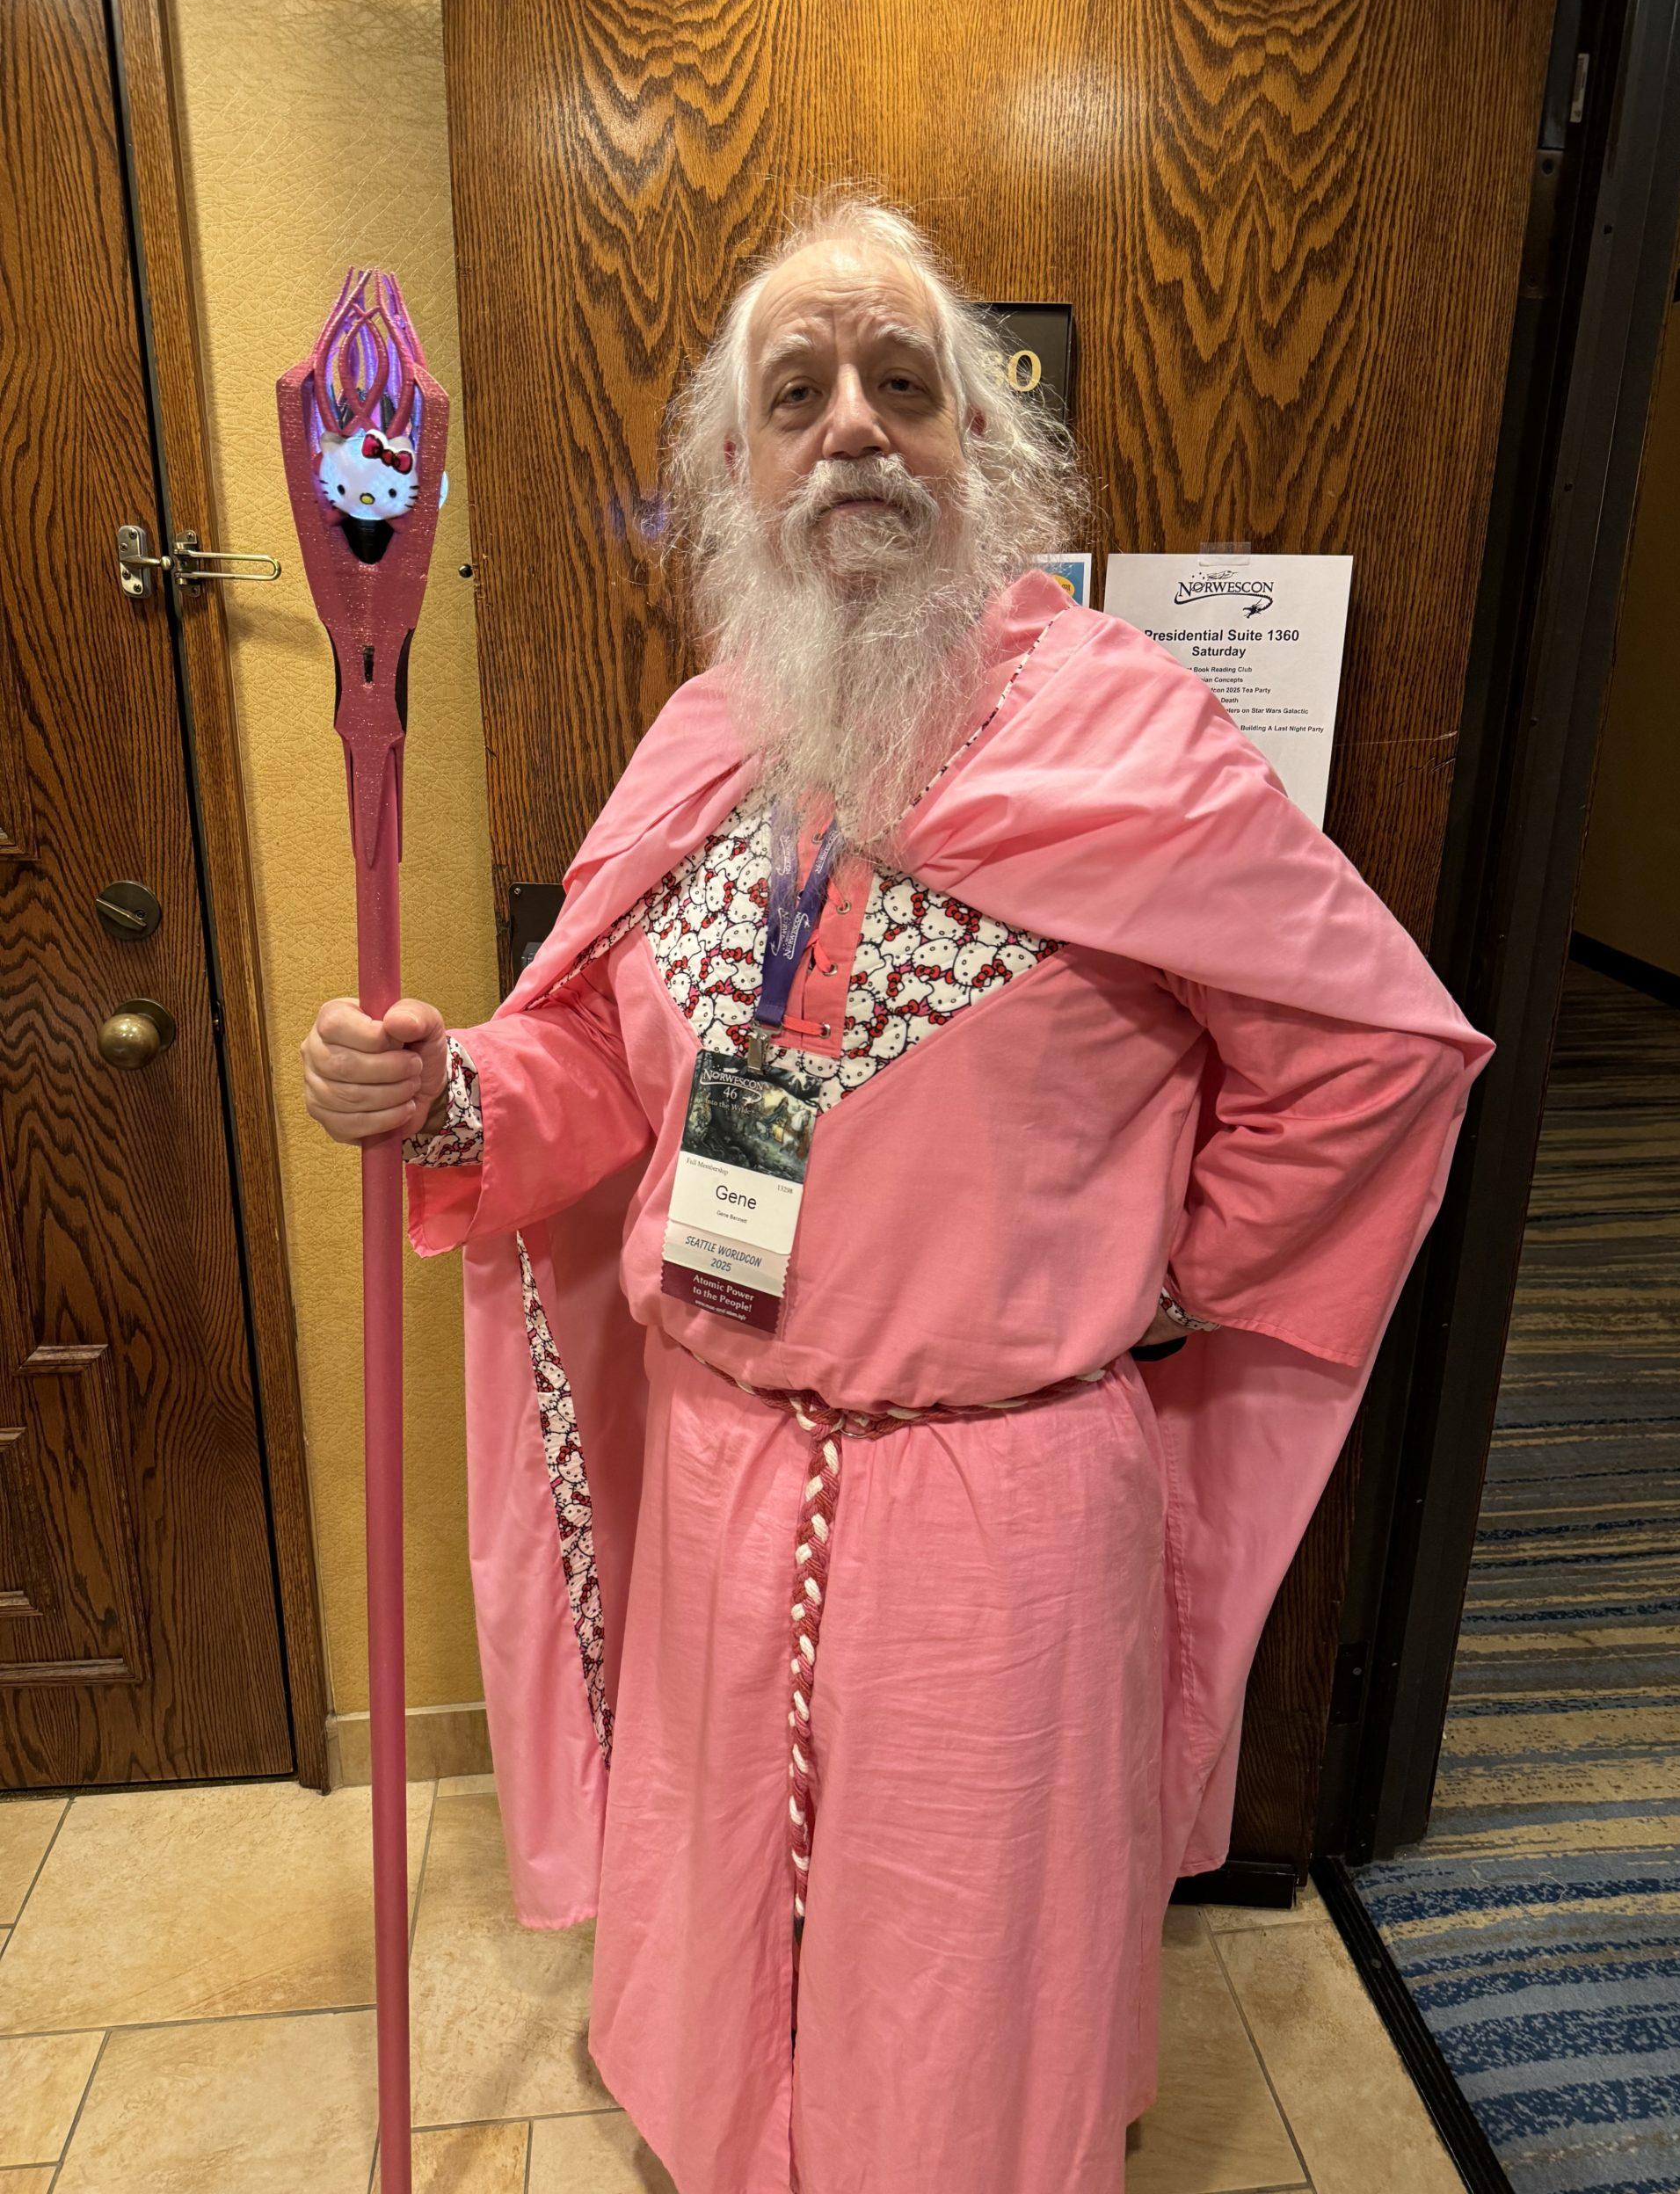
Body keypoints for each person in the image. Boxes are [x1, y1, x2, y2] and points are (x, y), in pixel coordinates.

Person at [302, 188, 1495, 2194]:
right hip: (719, 1461)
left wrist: (1160, 1257)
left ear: (982, 448)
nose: (853, 423)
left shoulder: (1136, 733)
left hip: (1004, 1509)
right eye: (797, 392)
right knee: (721, 1901)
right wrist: (444, 1095)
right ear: (738, 479)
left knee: (967, 1966)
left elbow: (1369, 1050)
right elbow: (600, 1064)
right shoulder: (707, 746)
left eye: (903, 383)